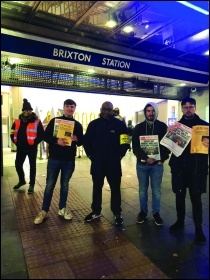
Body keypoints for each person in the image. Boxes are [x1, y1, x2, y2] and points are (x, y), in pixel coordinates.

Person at [34, 99, 83, 224]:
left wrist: (77, 138)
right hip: (54, 159)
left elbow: (81, 142)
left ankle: (62, 208)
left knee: (65, 186)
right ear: (64, 107)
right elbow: (45, 136)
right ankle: (44, 211)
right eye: (67, 106)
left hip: (69, 160)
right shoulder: (55, 121)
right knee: (49, 185)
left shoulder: (77, 125)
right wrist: (57, 141)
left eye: (72, 107)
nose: (70, 109)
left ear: (74, 109)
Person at [168, 97, 209, 245]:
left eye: (191, 107)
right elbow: (169, 147)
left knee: (196, 200)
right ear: (181, 109)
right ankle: (180, 222)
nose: (188, 109)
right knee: (179, 197)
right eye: (185, 107)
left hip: (197, 170)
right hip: (179, 168)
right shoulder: (176, 126)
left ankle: (198, 229)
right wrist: (168, 135)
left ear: (195, 108)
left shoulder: (205, 126)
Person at [83, 101, 129, 226]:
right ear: (101, 109)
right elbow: (86, 141)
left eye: (109, 109)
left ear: (112, 111)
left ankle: (117, 212)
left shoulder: (119, 125)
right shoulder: (93, 125)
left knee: (115, 189)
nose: (107, 111)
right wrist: (91, 155)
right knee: (97, 188)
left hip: (113, 164)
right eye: (105, 109)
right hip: (97, 163)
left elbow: (125, 141)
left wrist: (119, 155)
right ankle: (96, 211)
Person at [132, 102, 171, 226]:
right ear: (145, 112)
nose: (151, 113)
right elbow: (135, 147)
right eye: (148, 111)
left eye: (153, 110)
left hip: (157, 165)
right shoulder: (138, 128)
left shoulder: (162, 126)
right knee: (142, 190)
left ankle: (156, 213)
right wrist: (145, 158)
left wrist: (162, 159)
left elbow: (168, 145)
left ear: (156, 112)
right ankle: (143, 212)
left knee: (156, 191)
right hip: (142, 165)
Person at [10, 98, 44, 194]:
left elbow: (41, 134)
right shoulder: (17, 121)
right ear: (23, 111)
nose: (27, 112)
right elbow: (12, 132)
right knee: (18, 165)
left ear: (31, 111)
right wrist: (15, 141)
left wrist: (35, 142)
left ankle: (32, 184)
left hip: (32, 148)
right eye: (25, 110)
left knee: (32, 166)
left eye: (29, 110)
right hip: (21, 147)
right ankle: (22, 180)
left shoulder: (37, 121)